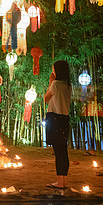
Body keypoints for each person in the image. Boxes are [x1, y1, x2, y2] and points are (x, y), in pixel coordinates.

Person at [44, 60, 71, 189]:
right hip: (64, 119)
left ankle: (60, 182)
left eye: (54, 69)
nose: (53, 72)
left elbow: (46, 98)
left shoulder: (55, 84)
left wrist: (50, 83)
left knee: (58, 152)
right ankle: (63, 181)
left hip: (54, 119)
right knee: (63, 151)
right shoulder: (68, 85)